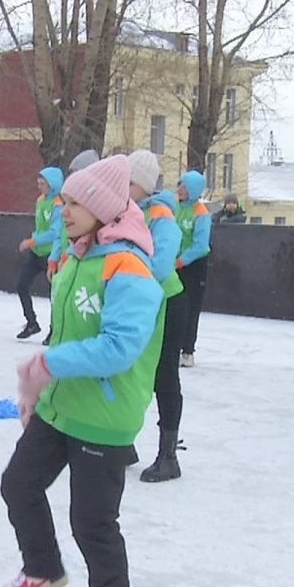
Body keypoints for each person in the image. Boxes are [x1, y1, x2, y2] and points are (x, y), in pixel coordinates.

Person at [0, 154, 163, 587]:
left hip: (103, 416)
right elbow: (67, 334)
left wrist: (48, 364)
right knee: (19, 484)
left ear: (104, 208)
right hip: (62, 406)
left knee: (92, 521)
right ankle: (43, 567)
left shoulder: (129, 266)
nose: (63, 210)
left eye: (73, 203)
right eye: (63, 200)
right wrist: (39, 387)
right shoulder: (79, 256)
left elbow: (119, 348)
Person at [128, 150, 187, 482]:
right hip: (138, 301)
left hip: (166, 302)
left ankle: (168, 456)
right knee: (130, 370)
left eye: (129, 182)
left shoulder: (161, 216)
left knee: (164, 377)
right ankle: (123, 441)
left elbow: (161, 265)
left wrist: (125, 274)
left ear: (143, 185)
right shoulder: (128, 211)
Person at [44, 151, 100, 347]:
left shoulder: (96, 207)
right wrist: (54, 259)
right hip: (68, 261)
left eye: (77, 173)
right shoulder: (67, 205)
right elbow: (61, 235)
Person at [15, 166, 64, 340]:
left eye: (42, 184)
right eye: (38, 183)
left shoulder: (58, 204)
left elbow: (55, 232)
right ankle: (31, 322)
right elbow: (40, 226)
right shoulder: (41, 200)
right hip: (36, 253)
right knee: (21, 285)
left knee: (54, 295)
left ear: (52, 184)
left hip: (51, 254)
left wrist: (31, 241)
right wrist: (34, 241)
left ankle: (54, 330)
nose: (39, 187)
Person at [174, 170, 212, 367]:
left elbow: (200, 245)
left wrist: (181, 261)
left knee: (191, 307)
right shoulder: (176, 207)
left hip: (194, 265)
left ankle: (187, 350)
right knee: (175, 305)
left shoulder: (201, 213)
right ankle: (173, 346)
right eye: (180, 184)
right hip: (175, 262)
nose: (179, 189)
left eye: (184, 186)